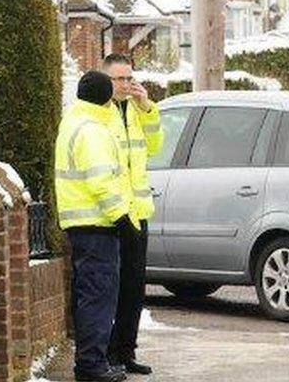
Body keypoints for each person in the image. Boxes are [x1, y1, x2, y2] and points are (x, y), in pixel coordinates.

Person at [55, 71, 134, 382]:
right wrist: (122, 218)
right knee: (98, 296)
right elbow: (101, 181)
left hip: (81, 223)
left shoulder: (74, 122)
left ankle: (90, 361)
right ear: (105, 97)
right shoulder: (94, 130)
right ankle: (91, 366)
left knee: (89, 294)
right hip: (97, 225)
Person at [102, 54, 163, 376]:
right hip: (112, 215)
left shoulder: (137, 111)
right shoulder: (101, 111)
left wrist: (147, 107)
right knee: (112, 288)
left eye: (129, 78)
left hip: (138, 213)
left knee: (134, 288)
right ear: (106, 79)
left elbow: (154, 146)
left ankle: (127, 351)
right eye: (119, 79)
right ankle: (108, 353)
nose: (126, 84)